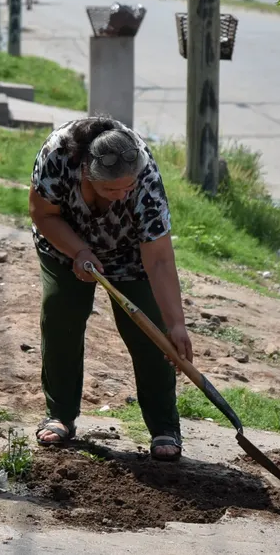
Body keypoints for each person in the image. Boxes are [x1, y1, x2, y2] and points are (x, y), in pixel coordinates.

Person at [28, 117, 193, 462]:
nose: (122, 195)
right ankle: (60, 415)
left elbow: (160, 259)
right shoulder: (57, 155)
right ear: (87, 173)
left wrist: (176, 323)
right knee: (61, 315)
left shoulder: (144, 179)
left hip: (130, 252)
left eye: (127, 188)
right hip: (65, 241)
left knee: (150, 333)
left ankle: (164, 426)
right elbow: (42, 213)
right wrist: (79, 251)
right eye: (112, 190)